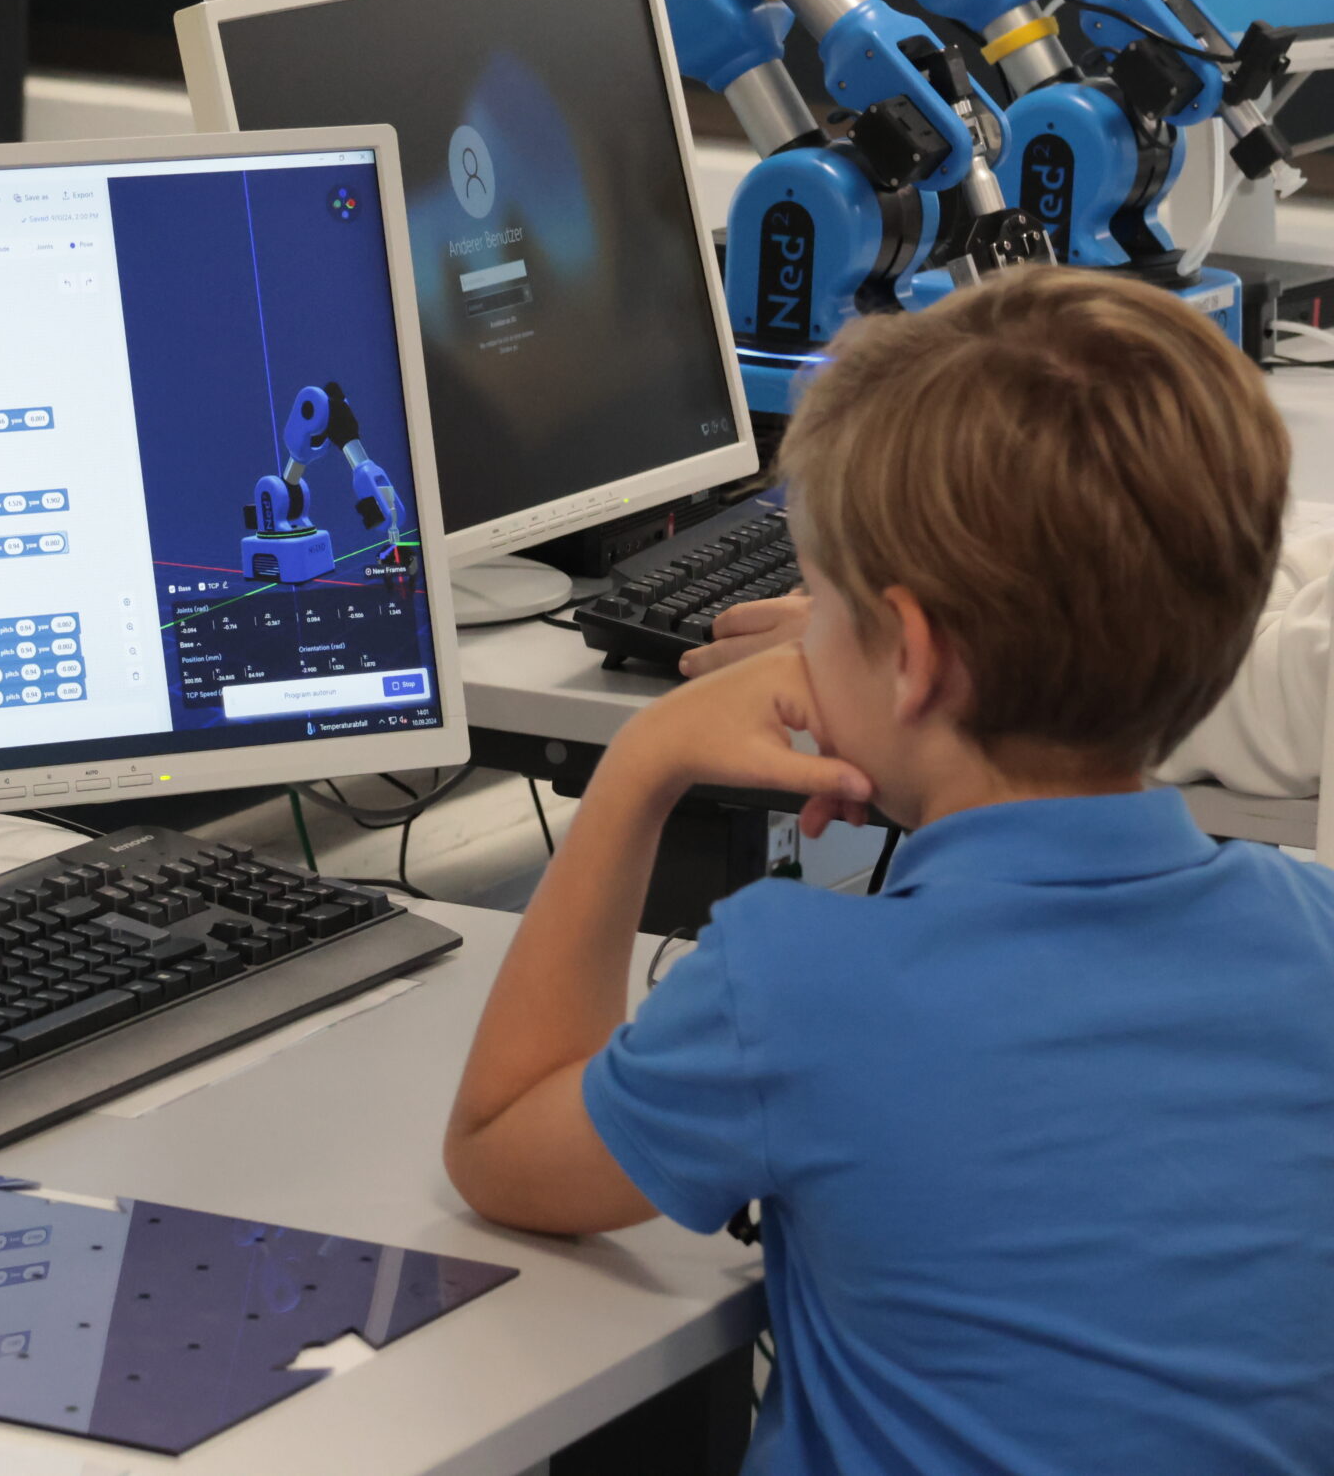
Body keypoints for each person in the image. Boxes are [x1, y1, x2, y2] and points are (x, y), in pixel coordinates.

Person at [441, 268, 1334, 1474]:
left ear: (909, 656)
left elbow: (497, 1145)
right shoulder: (1316, 935)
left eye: (817, 603)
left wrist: (641, 764)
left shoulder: (792, 987)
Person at [684, 531, 1334, 801]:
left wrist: (650, 755)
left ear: (916, 660)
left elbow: (1274, 702)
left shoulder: (759, 976)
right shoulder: (1302, 928)